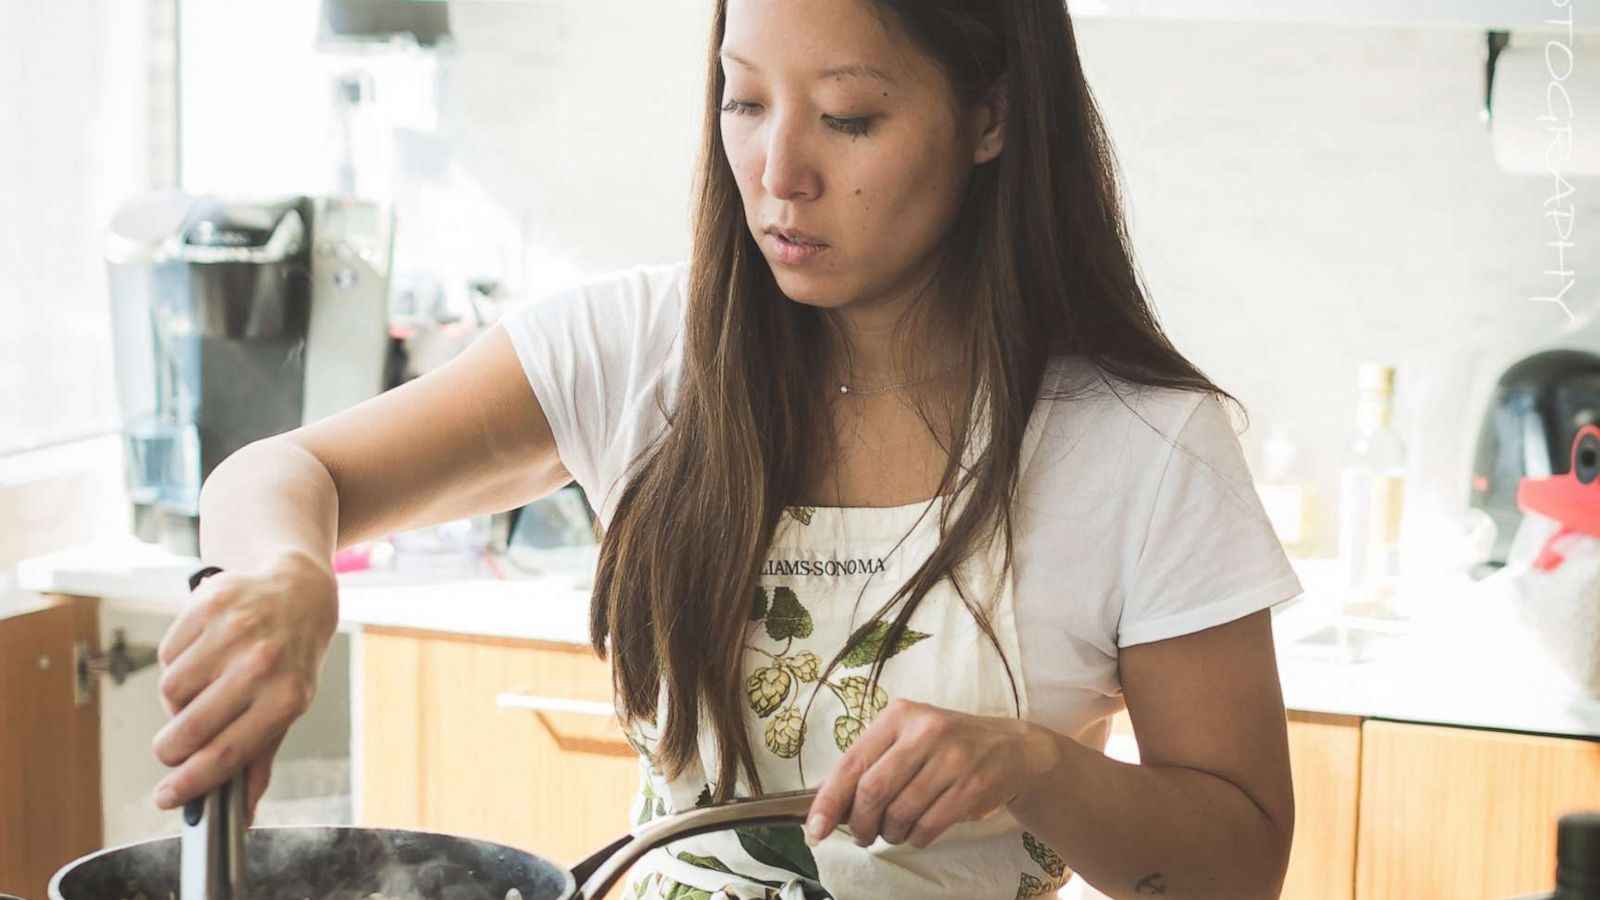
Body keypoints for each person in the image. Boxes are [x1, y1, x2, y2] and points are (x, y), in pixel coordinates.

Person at [149, 0, 1304, 896]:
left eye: (847, 117)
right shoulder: (643, 348)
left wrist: (1038, 770)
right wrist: (287, 580)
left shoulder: (1145, 449)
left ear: (991, 115)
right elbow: (278, 475)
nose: (777, 173)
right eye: (743, 102)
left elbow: (1237, 867)